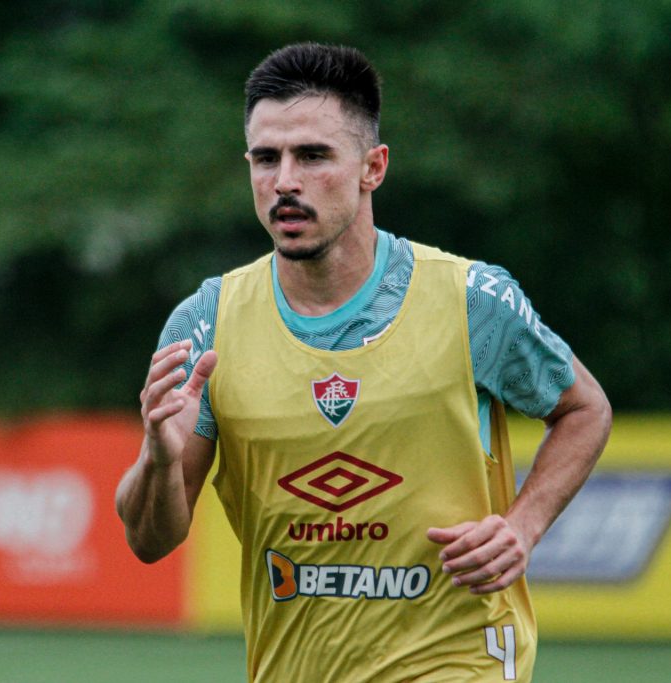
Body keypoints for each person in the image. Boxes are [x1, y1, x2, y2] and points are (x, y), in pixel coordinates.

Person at [116, 43, 612, 682]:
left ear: (372, 167)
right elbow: (149, 542)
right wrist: (156, 460)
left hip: (458, 657)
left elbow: (583, 409)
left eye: (313, 156)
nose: (285, 181)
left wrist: (524, 525)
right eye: (265, 159)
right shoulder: (207, 323)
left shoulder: (469, 300)